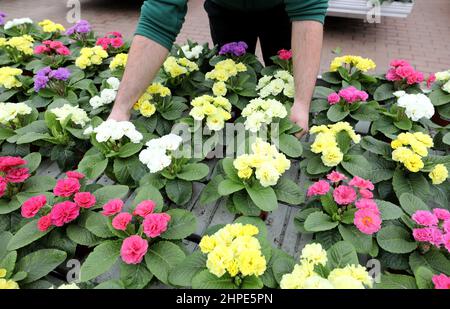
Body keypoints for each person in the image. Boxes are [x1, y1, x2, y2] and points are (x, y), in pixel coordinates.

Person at [108, 0, 329, 138]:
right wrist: (121, 109)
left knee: (283, 94)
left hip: (282, 11)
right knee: (232, 97)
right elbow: (158, 18)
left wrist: (301, 103)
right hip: (226, 10)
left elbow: (308, 12)